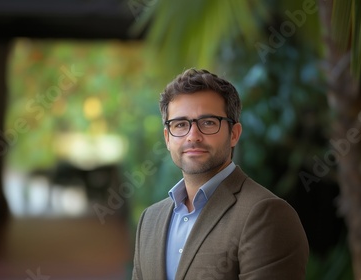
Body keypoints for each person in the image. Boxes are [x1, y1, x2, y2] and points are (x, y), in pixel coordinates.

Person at [131, 68, 309, 280]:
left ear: (234, 134)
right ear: (167, 138)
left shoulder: (266, 214)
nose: (193, 136)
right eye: (180, 124)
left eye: (208, 123)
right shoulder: (150, 220)